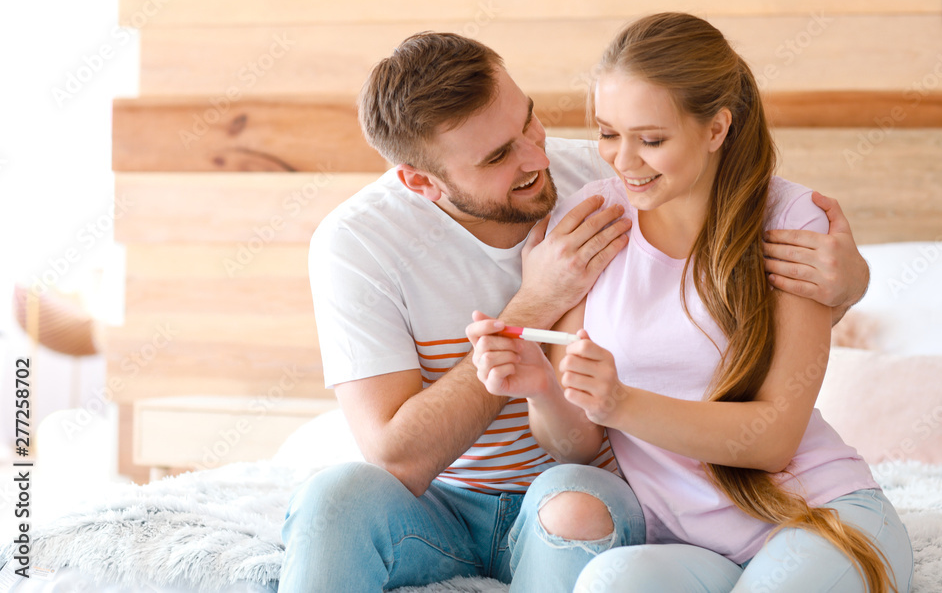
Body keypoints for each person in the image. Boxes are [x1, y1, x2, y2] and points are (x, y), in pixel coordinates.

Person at [279, 30, 872, 592]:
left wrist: (849, 282)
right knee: (333, 497)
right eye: (498, 157)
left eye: (529, 119)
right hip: (443, 500)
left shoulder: (610, 174)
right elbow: (397, 457)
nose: (537, 155)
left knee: (572, 500)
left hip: (592, 482)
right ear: (420, 181)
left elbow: (742, 284)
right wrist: (535, 304)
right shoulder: (357, 244)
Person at [469, 13, 913, 593]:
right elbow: (575, 442)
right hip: (686, 545)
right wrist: (544, 389)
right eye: (607, 133)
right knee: (607, 582)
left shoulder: (789, 221)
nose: (623, 160)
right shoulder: (591, 220)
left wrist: (622, 402)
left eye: (651, 140)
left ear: (716, 129)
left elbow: (775, 439)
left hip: (817, 515)